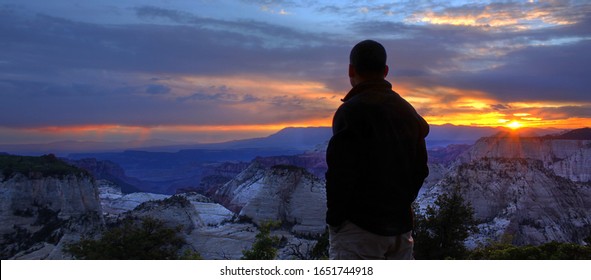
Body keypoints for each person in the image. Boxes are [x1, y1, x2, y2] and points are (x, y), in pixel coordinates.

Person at [325, 40, 429, 260]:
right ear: (385, 71)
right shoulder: (408, 112)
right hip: (401, 229)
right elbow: (420, 169)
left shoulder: (350, 112)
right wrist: (401, 204)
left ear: (351, 70)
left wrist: (335, 221)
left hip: (358, 231)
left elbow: (339, 174)